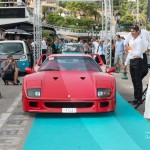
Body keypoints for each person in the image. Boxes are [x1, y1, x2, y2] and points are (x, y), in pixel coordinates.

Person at [124, 25, 147, 105]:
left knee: (138, 81)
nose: (132, 33)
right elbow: (130, 53)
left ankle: (139, 99)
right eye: (131, 31)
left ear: (138, 32)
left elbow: (139, 53)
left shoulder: (140, 41)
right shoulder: (130, 40)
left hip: (138, 61)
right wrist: (125, 63)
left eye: (133, 31)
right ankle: (136, 98)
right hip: (132, 61)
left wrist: (129, 51)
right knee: (134, 81)